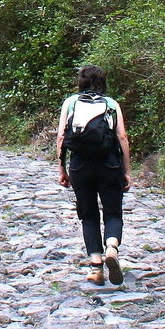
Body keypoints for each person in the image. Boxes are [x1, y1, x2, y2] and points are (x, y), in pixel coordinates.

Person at [55, 65, 131, 285]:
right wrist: (126, 170)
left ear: (80, 81)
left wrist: (62, 168)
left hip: (80, 165)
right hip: (109, 164)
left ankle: (96, 268)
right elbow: (122, 137)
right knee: (113, 212)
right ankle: (112, 246)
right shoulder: (111, 104)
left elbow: (61, 137)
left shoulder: (71, 103)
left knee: (88, 214)